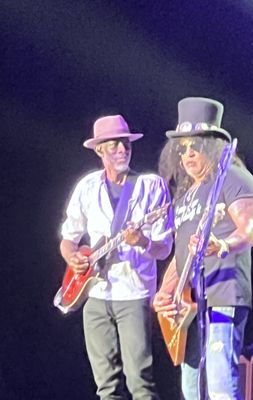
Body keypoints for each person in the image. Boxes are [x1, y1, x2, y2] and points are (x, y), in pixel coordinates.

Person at [153, 97, 253, 400]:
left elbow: (250, 231)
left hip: (223, 294)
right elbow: (180, 257)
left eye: (195, 146)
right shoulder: (187, 195)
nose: (187, 154)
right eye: (182, 147)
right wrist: (164, 294)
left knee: (219, 386)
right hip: (190, 304)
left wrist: (222, 245)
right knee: (192, 390)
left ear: (212, 146)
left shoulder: (235, 179)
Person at [59, 114, 174, 400]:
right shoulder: (87, 186)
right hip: (94, 294)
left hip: (133, 294)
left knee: (140, 382)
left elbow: (165, 248)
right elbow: (68, 237)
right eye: (113, 146)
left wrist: (142, 241)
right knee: (106, 387)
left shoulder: (151, 186)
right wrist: (73, 256)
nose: (122, 150)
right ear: (99, 150)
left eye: (125, 145)